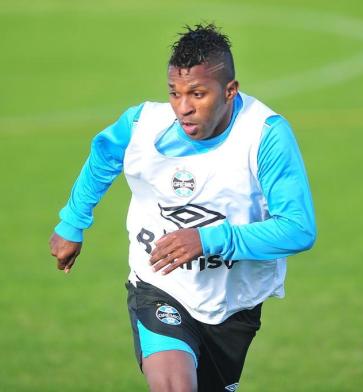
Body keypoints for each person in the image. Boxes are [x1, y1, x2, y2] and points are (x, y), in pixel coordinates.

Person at [49, 23, 316, 392]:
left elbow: (299, 228)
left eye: (198, 94)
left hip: (233, 306)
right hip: (159, 286)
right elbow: (104, 156)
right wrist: (72, 222)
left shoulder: (265, 136)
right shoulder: (144, 125)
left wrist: (207, 240)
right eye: (175, 93)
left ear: (230, 90)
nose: (183, 108)